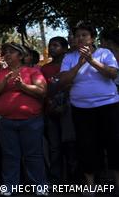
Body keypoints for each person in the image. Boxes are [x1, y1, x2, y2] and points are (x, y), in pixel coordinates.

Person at [58, 22, 119, 192]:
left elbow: (112, 74)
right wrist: (79, 63)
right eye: (77, 35)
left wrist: (91, 61)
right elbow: (63, 81)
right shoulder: (69, 58)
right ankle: (90, 186)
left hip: (109, 105)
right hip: (81, 109)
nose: (80, 38)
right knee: (86, 146)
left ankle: (118, 183)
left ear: (92, 38)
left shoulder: (105, 53)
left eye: (84, 35)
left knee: (114, 144)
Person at [0, 42, 48, 196]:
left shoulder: (32, 71)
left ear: (20, 56)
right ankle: (9, 186)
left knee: (33, 154)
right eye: (5, 52)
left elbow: (42, 91)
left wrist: (23, 86)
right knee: (9, 155)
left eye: (11, 52)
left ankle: (39, 185)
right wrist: (4, 81)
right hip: (6, 121)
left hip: (31, 120)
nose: (7, 54)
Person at [40, 36, 76, 183]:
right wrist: (50, 104)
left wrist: (64, 105)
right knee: (54, 147)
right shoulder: (44, 68)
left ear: (65, 48)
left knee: (71, 145)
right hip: (51, 111)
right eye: (50, 45)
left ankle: (74, 178)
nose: (52, 48)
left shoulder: (71, 65)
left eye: (56, 45)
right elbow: (44, 90)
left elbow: (72, 85)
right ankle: (56, 178)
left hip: (69, 109)